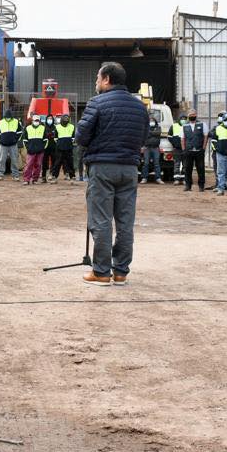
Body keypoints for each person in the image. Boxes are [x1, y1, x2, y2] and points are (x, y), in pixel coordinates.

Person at [76, 62, 148, 287]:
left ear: (106, 79)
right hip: (129, 169)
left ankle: (101, 272)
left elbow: (81, 137)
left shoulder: (96, 103)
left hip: (103, 168)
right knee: (125, 222)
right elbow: (143, 138)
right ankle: (121, 272)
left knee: (102, 221)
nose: (96, 82)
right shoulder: (139, 107)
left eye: (98, 78)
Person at [181, 110, 208, 192]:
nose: (192, 116)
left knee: (201, 168)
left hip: (199, 150)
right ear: (188, 116)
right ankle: (188, 185)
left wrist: (203, 148)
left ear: (196, 115)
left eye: (194, 114)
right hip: (188, 151)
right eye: (190, 115)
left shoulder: (202, 124)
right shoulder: (184, 126)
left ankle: (201, 186)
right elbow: (182, 138)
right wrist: (184, 149)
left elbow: (205, 136)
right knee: (187, 169)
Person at [0, 108, 22, 181]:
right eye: (7, 116)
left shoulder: (16, 122)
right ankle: (0, 174)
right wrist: (0, 141)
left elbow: (20, 132)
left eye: (9, 116)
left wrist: (15, 140)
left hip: (13, 145)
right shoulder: (1, 122)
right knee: (1, 160)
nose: (8, 118)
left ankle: (15, 175)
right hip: (3, 145)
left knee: (14, 160)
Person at [22, 114, 48, 185]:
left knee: (38, 165)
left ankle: (35, 179)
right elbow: (25, 140)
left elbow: (45, 139)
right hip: (31, 151)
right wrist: (28, 148)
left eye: (38, 120)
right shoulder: (28, 128)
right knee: (29, 165)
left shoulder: (43, 128)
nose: (36, 122)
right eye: (35, 120)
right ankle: (26, 179)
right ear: (32, 121)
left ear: (39, 121)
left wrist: (42, 148)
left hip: (40, 151)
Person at [51, 114, 76, 183]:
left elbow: (73, 137)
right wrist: (60, 143)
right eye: (65, 118)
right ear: (62, 119)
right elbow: (55, 138)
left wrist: (68, 143)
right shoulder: (57, 127)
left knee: (70, 163)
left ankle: (72, 177)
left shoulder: (72, 126)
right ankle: (54, 177)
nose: (66, 120)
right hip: (60, 148)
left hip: (69, 148)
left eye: (67, 118)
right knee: (57, 163)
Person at [140, 115, 162, 184]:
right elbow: (145, 135)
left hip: (155, 148)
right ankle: (144, 178)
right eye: (150, 120)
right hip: (147, 148)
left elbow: (158, 133)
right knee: (146, 163)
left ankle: (158, 178)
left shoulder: (158, 127)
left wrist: (150, 133)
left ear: (155, 121)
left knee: (156, 164)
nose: (151, 121)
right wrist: (153, 134)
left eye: (152, 120)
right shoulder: (145, 128)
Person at [168, 114, 185, 185]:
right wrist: (174, 143)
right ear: (179, 119)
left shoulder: (187, 126)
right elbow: (169, 136)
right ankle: (176, 179)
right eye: (182, 118)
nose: (183, 120)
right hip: (177, 148)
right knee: (177, 163)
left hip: (185, 148)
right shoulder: (174, 126)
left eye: (185, 119)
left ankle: (184, 179)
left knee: (185, 164)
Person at [41, 115, 57, 182]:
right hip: (45, 147)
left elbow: (56, 135)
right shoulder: (43, 127)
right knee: (44, 162)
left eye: (51, 118)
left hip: (53, 147)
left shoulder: (55, 127)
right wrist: (48, 135)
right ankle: (44, 176)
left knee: (54, 161)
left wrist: (53, 135)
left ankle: (52, 175)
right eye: (48, 118)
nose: (49, 120)